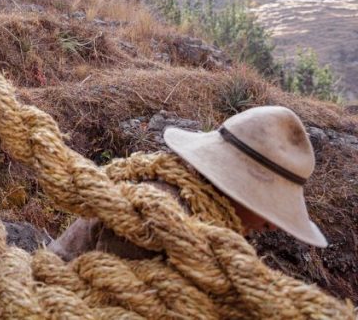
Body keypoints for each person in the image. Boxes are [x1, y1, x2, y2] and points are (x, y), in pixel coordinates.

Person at [48, 105, 327, 262]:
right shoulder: (158, 212)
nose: (273, 225)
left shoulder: (203, 210)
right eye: (269, 205)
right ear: (238, 188)